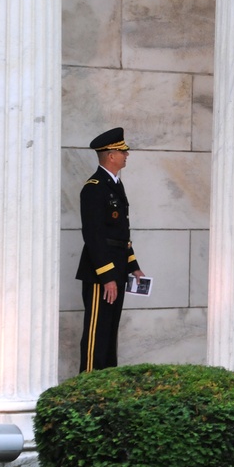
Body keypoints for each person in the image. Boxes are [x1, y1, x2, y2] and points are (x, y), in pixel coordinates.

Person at [75, 127, 145, 373]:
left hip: (116, 268)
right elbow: (93, 236)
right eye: (122, 151)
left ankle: (107, 381)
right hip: (100, 272)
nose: (126, 155)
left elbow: (121, 234)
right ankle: (89, 384)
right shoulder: (94, 187)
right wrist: (107, 277)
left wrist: (133, 266)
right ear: (110, 155)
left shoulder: (115, 185)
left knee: (111, 327)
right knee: (97, 329)